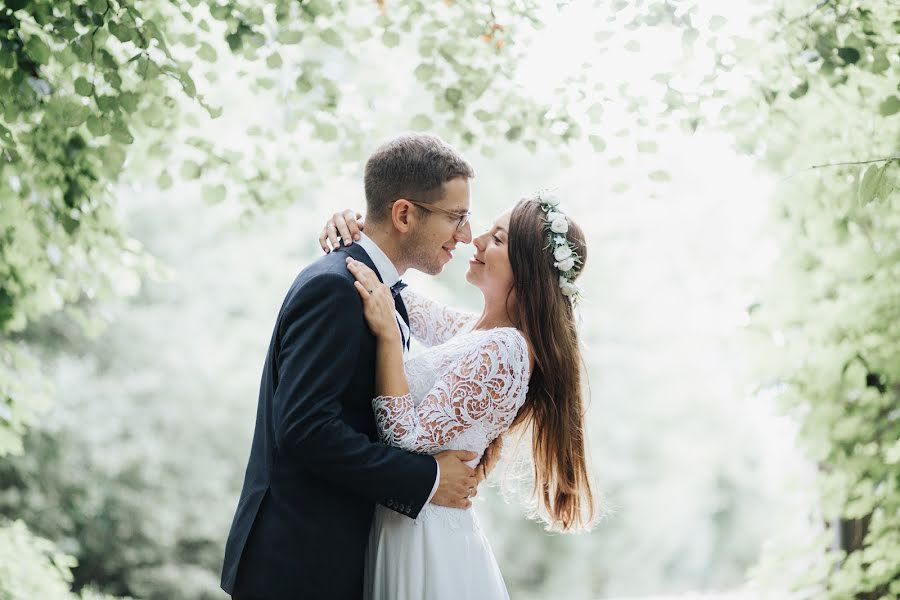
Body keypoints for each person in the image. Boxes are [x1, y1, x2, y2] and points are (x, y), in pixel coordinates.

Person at [221, 133, 499, 600]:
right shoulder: (335, 288)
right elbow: (306, 429)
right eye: (457, 217)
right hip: (300, 567)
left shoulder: (385, 290)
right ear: (404, 214)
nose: (467, 235)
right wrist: (428, 480)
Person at [319, 189, 596, 600]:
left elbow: (405, 438)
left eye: (498, 239)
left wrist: (389, 340)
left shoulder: (505, 350)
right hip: (406, 520)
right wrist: (351, 231)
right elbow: (389, 290)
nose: (476, 240)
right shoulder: (473, 332)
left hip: (424, 538)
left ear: (528, 271)